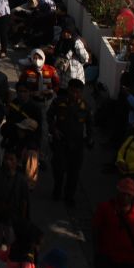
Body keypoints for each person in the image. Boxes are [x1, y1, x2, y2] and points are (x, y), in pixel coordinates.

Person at [91, 177, 134, 268]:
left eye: (128, 194)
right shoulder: (104, 207)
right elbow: (95, 229)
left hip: (128, 260)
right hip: (106, 257)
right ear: (118, 192)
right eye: (123, 193)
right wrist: (97, 253)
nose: (125, 197)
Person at [47, 78, 91, 207]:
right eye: (72, 91)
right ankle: (57, 190)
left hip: (77, 144)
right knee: (58, 169)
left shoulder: (85, 106)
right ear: (68, 90)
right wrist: (53, 129)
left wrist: (90, 138)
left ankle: (69, 196)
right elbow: (49, 116)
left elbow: (89, 124)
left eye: (78, 92)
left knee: (74, 172)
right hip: (61, 142)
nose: (74, 95)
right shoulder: (58, 102)